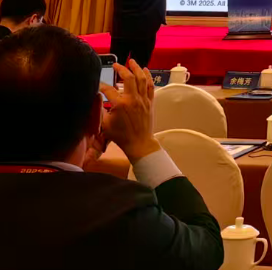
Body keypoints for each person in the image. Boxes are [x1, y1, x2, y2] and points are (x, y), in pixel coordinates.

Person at [0, 25, 224, 270]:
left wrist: (71, 169)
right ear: (96, 114)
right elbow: (205, 251)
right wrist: (143, 145)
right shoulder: (117, 212)